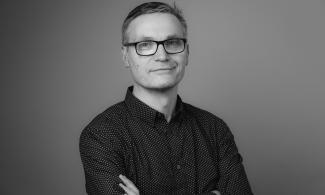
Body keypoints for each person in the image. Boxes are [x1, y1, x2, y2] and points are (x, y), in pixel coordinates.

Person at [79, 2, 253, 195]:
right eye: (144, 45)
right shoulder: (102, 136)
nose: (162, 55)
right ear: (125, 57)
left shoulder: (215, 130)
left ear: (186, 52)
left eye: (172, 43)